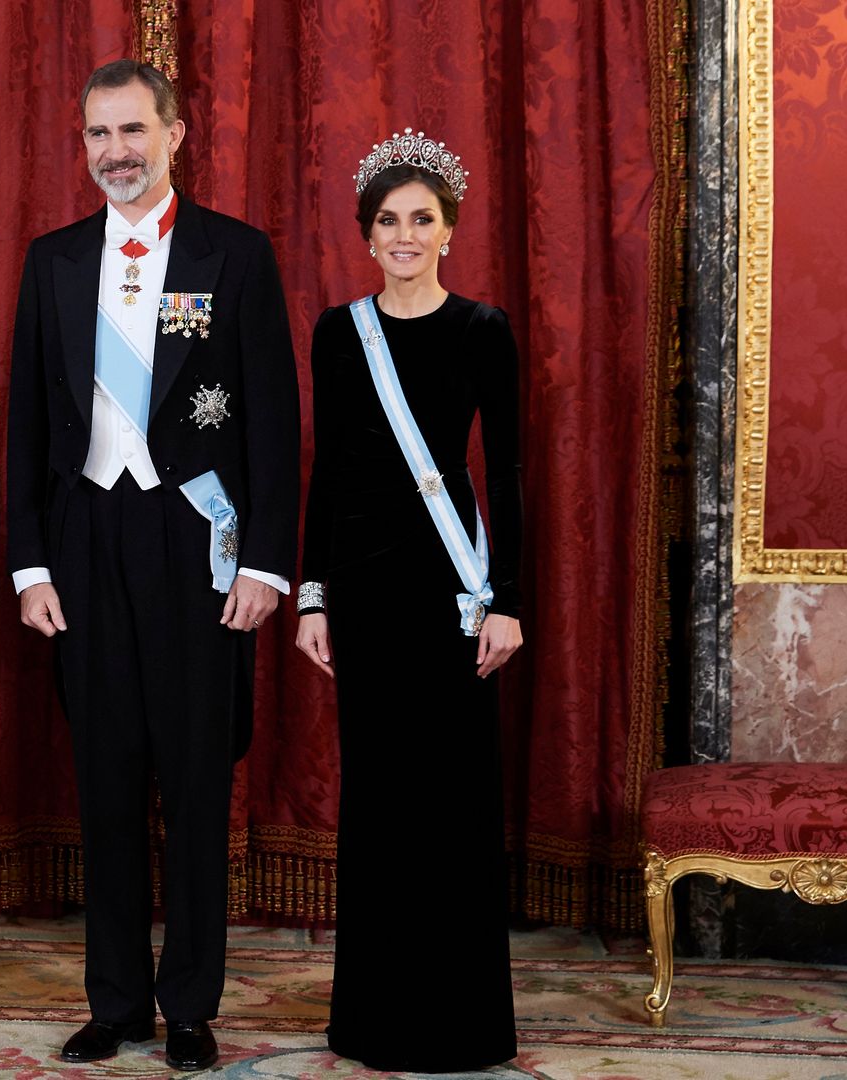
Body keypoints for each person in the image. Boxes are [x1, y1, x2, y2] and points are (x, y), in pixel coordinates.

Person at [5, 60, 298, 1072]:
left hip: (199, 549)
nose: (116, 154)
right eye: (98, 136)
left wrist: (266, 563)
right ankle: (117, 999)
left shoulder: (237, 255)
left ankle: (190, 1007)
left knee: (195, 784)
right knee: (107, 785)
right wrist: (28, 568)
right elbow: (30, 431)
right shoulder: (49, 261)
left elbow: (274, 426)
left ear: (176, 133)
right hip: (85, 551)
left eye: (133, 132)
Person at [294, 129, 524, 1071]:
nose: (403, 234)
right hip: (365, 594)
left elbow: (505, 473)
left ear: (449, 231)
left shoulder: (482, 330)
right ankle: (376, 1020)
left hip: (453, 593)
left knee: (454, 804)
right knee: (381, 806)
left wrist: (507, 599)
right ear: (367, 233)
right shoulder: (338, 331)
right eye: (387, 221)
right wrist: (311, 596)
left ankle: (463, 1024)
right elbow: (329, 471)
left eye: (420, 219)